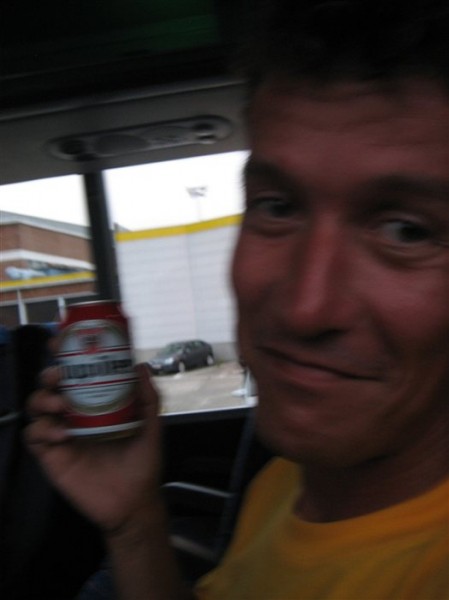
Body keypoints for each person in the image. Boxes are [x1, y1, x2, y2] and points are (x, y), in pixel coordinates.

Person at [26, 0, 449, 598]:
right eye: (277, 206)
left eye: (406, 231)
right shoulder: (284, 483)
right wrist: (135, 521)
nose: (305, 309)